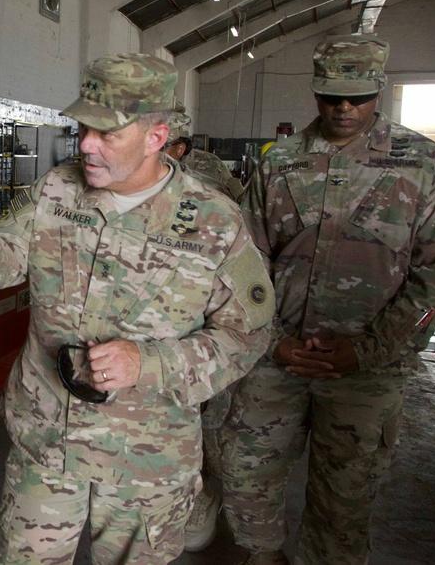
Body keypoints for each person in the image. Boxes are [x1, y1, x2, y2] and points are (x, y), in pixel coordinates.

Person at [0, 53, 274, 564]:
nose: (86, 143)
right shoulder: (57, 189)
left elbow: (248, 336)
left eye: (107, 133)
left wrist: (149, 363)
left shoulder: (214, 221)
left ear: (157, 137)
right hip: (47, 438)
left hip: (146, 458)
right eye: (83, 127)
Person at [221, 35, 435, 565]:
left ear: (380, 90)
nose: (344, 108)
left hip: (365, 370)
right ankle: (263, 555)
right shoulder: (279, 161)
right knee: (246, 472)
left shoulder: (424, 164)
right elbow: (242, 263)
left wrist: (369, 351)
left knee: (346, 494)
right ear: (314, 91)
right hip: (275, 358)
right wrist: (271, 342)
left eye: (358, 97)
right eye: (331, 97)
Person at [160, 114, 245, 552]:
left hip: (205, 313)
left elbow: (241, 232)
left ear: (179, 146)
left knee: (209, 414)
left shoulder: (211, 175)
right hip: (153, 319)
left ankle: (201, 493)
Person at [161, 114, 244, 201]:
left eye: (162, 147)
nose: (153, 152)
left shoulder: (211, 164)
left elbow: (238, 204)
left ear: (180, 149)